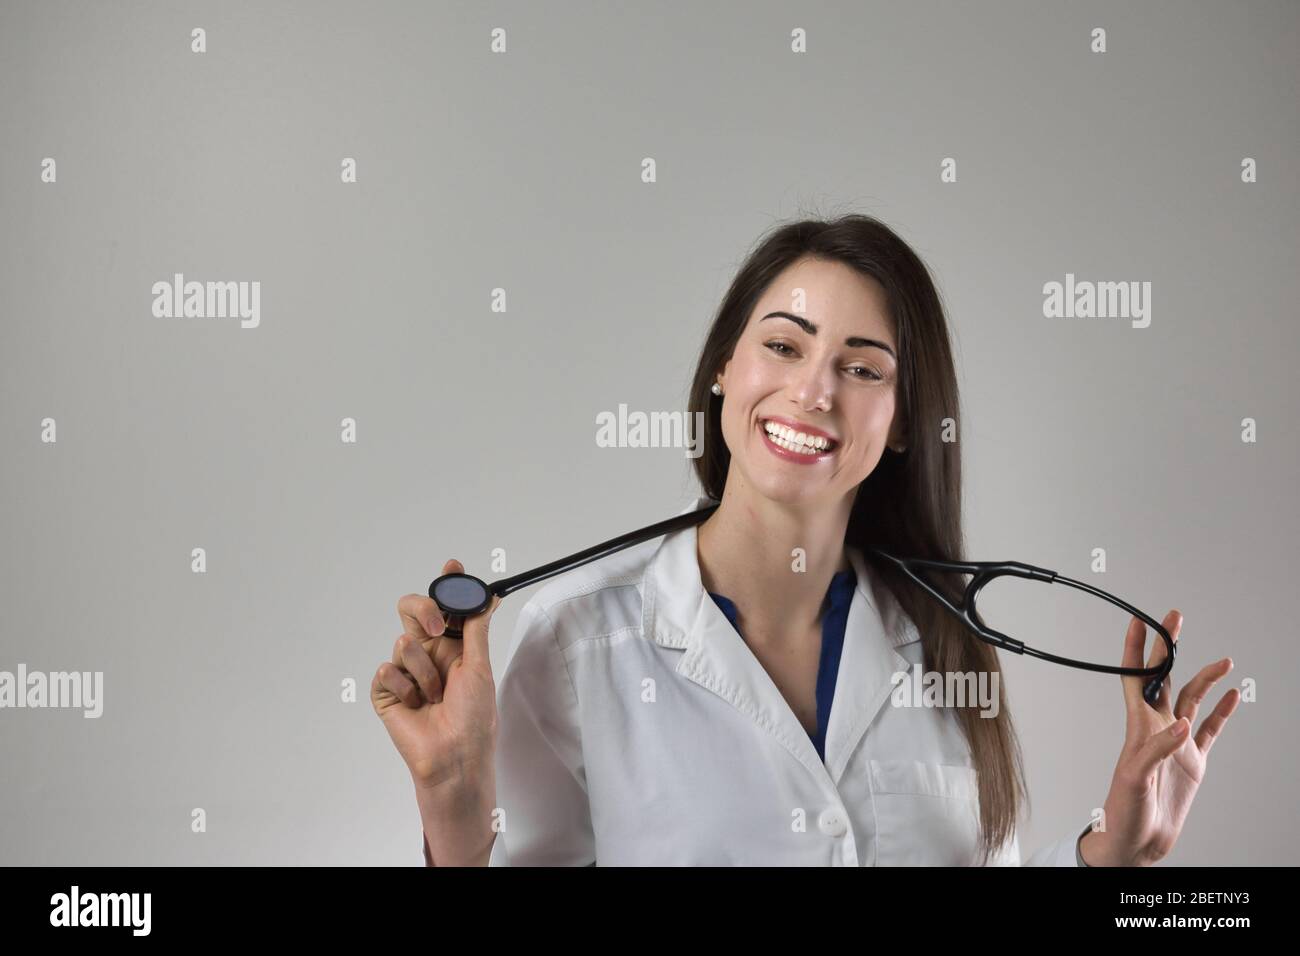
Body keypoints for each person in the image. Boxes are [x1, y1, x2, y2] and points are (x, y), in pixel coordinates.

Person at [372, 213, 1240, 866]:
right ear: (724, 369)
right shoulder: (576, 641)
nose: (814, 391)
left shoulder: (948, 639)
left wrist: (1109, 856)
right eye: (783, 346)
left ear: (902, 422)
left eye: (863, 368)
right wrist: (453, 804)